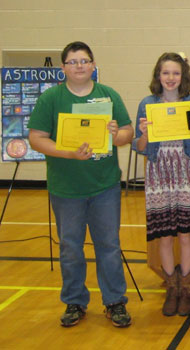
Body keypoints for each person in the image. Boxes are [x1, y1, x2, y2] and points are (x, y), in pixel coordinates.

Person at [27, 41, 134, 328]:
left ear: (93, 64)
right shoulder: (51, 99)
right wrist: (69, 153)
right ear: (63, 67)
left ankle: (115, 302)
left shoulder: (108, 95)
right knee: (71, 248)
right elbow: (36, 137)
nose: (79, 66)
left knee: (109, 246)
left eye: (84, 61)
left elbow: (127, 133)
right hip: (66, 188)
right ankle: (75, 301)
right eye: (73, 62)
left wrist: (116, 135)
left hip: (104, 186)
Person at [133, 52, 190, 317]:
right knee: (165, 236)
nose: (170, 78)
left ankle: (186, 290)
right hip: (158, 171)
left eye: (175, 73)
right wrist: (143, 134)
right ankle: (171, 289)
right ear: (158, 75)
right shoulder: (147, 103)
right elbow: (139, 147)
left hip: (185, 170)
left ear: (183, 76)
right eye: (165, 73)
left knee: (186, 234)